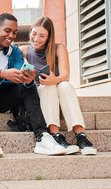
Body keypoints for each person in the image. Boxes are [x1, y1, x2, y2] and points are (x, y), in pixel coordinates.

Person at [0, 13, 66, 157]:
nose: (11, 36)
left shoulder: (16, 52)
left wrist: (27, 78)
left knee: (27, 86)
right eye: (7, 31)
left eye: (14, 32)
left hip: (0, 100)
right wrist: (2, 73)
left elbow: (18, 75)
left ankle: (42, 136)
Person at [18, 16, 96, 155]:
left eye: (42, 35)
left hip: (59, 90)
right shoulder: (25, 50)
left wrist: (54, 79)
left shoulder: (59, 48)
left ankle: (81, 136)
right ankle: (56, 134)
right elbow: (3, 47)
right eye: (34, 34)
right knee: (48, 87)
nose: (36, 39)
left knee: (65, 85)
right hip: (42, 92)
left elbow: (65, 75)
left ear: (49, 37)